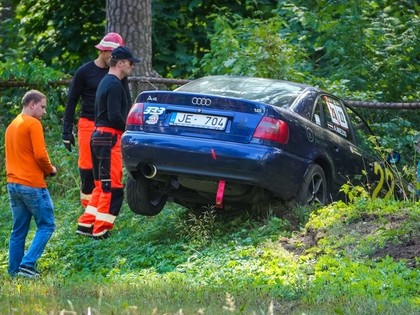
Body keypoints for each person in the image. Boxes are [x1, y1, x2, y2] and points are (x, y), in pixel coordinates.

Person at [76, 46, 140, 239]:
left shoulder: (106, 81)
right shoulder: (113, 85)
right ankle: (101, 230)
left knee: (100, 184)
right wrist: (129, 130)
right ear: (120, 63)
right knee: (111, 187)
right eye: (130, 63)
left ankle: (86, 224)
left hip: (98, 137)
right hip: (108, 137)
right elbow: (114, 116)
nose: (132, 67)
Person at [62, 32, 126, 208]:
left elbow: (125, 101)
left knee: (109, 170)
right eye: (113, 55)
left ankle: (104, 210)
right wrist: (66, 131)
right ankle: (88, 212)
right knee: (87, 168)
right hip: (88, 124)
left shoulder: (118, 74)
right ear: (104, 51)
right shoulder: (84, 72)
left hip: (110, 127)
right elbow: (72, 100)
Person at [5, 90, 57, 278]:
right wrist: (50, 169)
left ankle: (14, 271)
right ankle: (27, 265)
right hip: (31, 184)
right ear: (32, 104)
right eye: (42, 107)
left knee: (18, 230)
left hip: (13, 183)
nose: (44, 111)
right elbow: (41, 155)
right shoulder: (33, 124)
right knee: (47, 225)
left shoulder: (12, 125)